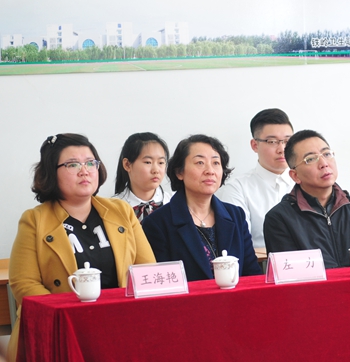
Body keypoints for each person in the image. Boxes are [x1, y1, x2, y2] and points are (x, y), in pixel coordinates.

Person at [8, 133, 156, 362]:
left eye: (90, 163)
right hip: (61, 332)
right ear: (51, 172)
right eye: (72, 164)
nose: (84, 171)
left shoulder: (121, 211)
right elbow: (24, 284)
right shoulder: (35, 220)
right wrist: (69, 318)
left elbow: (147, 270)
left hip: (121, 326)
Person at [142, 134, 261, 281]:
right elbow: (162, 282)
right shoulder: (157, 223)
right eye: (200, 163)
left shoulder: (236, 215)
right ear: (179, 172)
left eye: (216, 163)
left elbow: (252, 274)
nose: (210, 170)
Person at [263, 130, 350, 269]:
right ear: (295, 176)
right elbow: (289, 275)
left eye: (327, 154)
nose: (324, 163)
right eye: (310, 159)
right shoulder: (280, 219)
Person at [216, 108, 295, 249]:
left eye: (287, 141)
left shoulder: (307, 182)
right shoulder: (237, 189)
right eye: (272, 141)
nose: (282, 149)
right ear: (254, 145)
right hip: (259, 261)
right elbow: (237, 243)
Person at [113, 132, 172, 221]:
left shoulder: (174, 203)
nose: (156, 170)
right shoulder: (113, 207)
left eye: (161, 162)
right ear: (127, 165)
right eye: (148, 162)